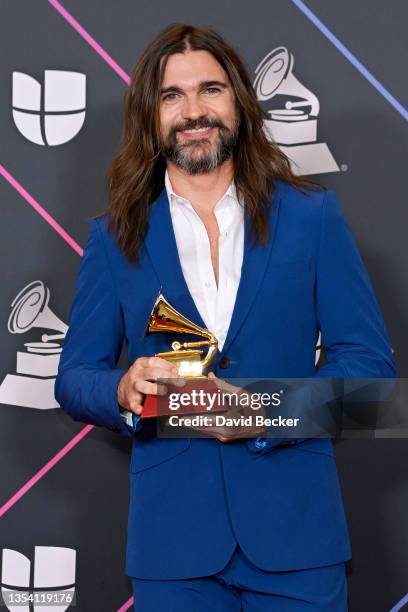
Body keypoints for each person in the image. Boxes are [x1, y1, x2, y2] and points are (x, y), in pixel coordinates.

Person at [55, 23, 397, 611]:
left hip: (299, 537)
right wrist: (121, 387)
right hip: (173, 547)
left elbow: (372, 383)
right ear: (151, 115)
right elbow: (72, 376)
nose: (193, 111)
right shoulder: (114, 238)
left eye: (210, 90)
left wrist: (261, 412)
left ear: (237, 101)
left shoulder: (311, 217)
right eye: (172, 95)